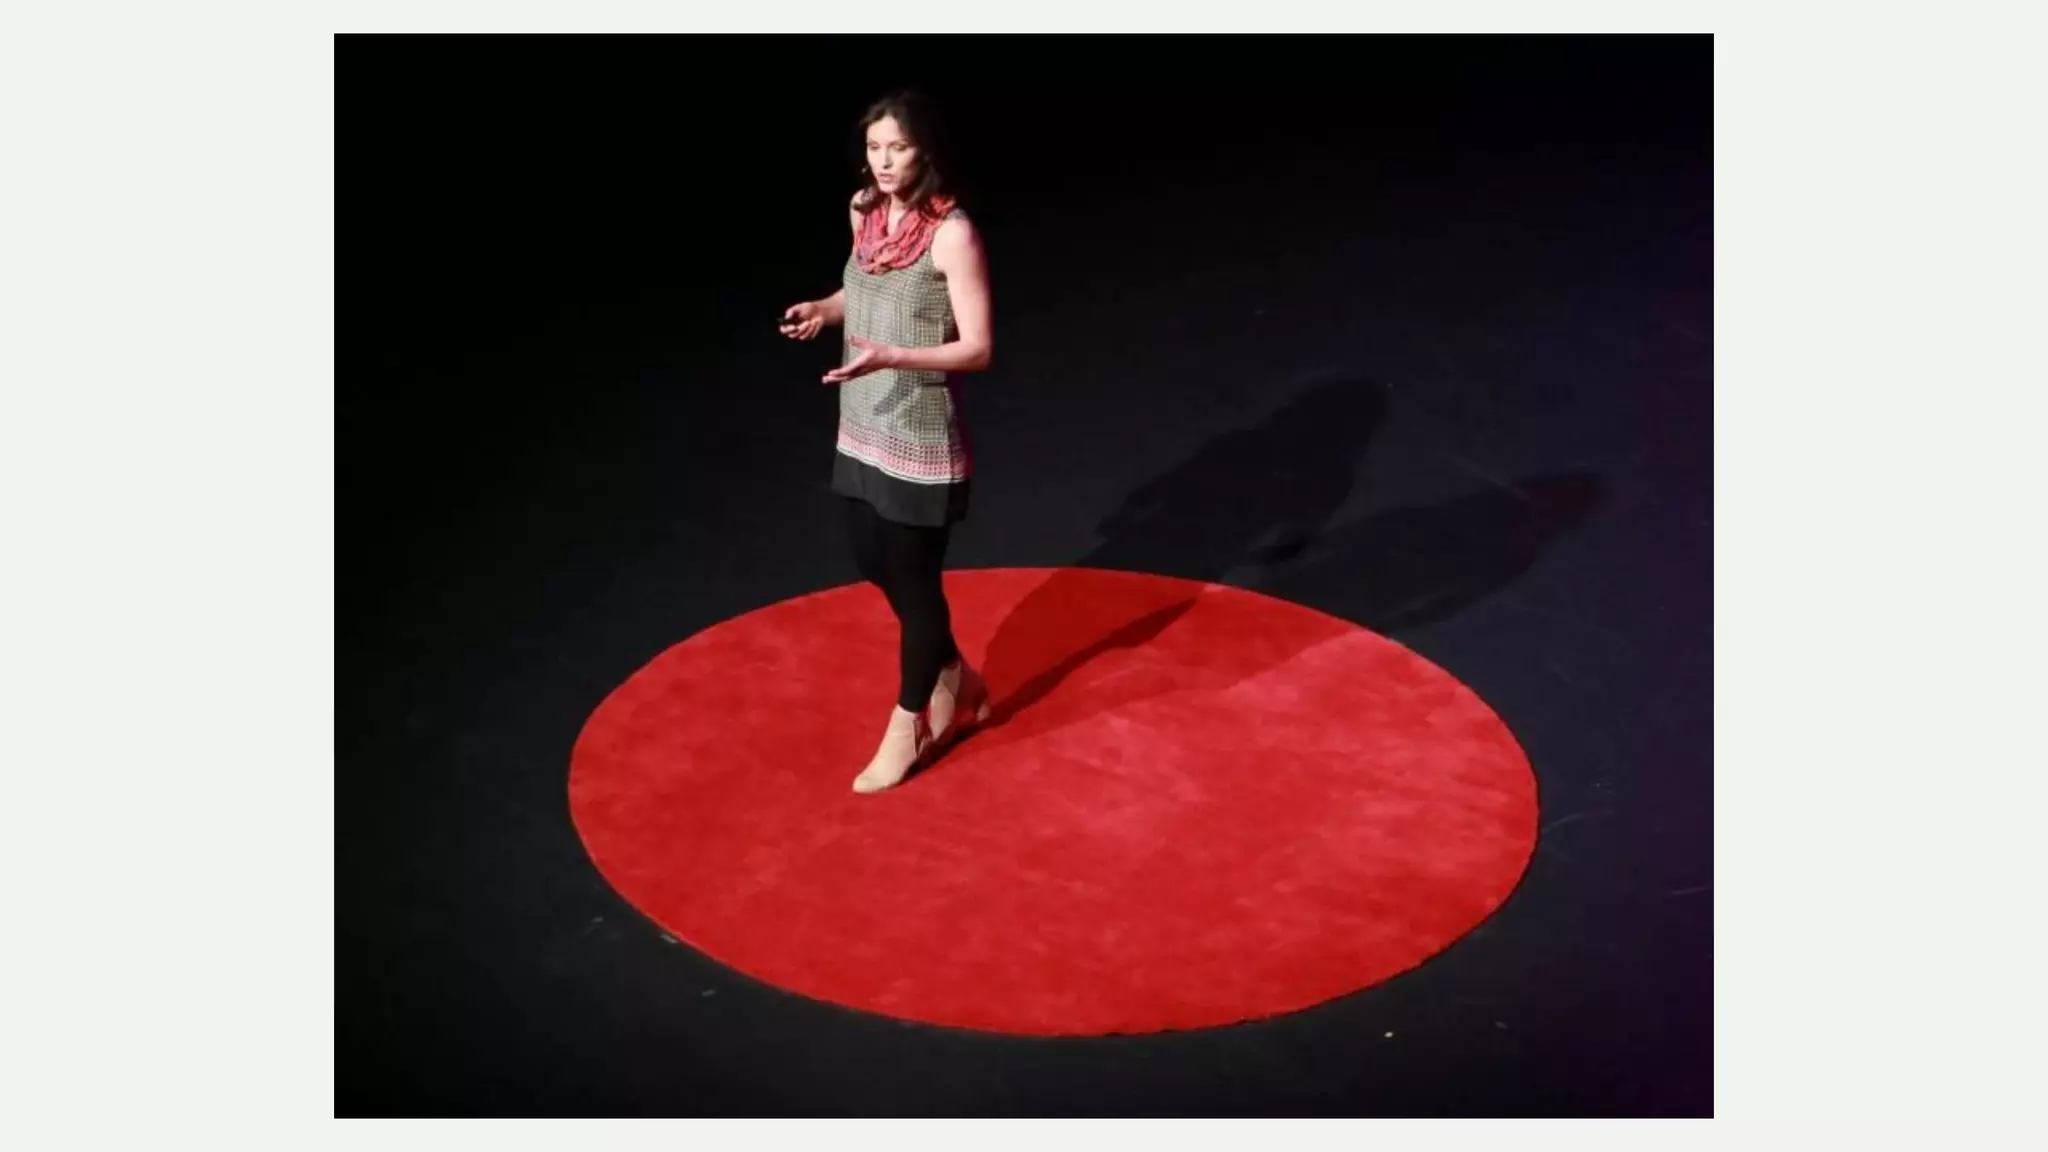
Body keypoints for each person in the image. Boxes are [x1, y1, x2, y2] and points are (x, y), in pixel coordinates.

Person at [781, 91, 994, 794]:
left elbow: (978, 348)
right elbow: (864, 292)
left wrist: (893, 356)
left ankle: (912, 722)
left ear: (924, 149)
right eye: (875, 147)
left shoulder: (952, 234)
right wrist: (824, 309)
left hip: (919, 434)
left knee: (916, 581)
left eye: (897, 147)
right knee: (874, 564)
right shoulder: (864, 210)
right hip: (863, 419)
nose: (884, 161)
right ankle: (957, 677)